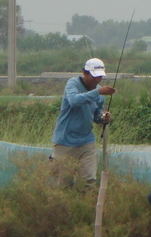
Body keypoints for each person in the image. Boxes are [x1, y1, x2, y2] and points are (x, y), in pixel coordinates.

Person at [50, 58, 116, 186]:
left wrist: (103, 118)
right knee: (63, 183)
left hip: (86, 141)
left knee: (89, 181)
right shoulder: (73, 84)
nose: (97, 80)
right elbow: (74, 101)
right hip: (65, 141)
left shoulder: (99, 93)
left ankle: (89, 204)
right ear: (84, 73)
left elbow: (96, 116)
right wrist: (97, 92)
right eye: (94, 76)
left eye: (100, 77)